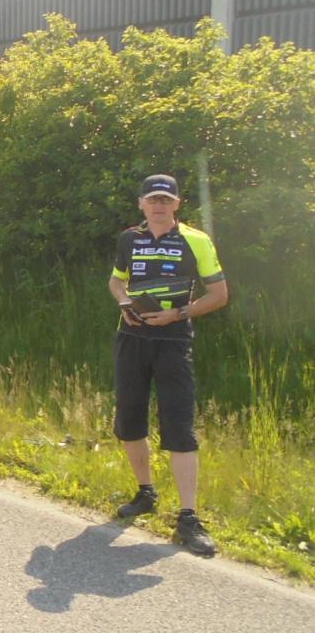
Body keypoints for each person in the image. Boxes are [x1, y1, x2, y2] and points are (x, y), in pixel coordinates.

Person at [109, 174, 229, 556]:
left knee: (178, 424)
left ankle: (188, 517)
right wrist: (124, 303)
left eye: (166, 199)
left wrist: (179, 314)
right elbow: (116, 282)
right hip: (132, 338)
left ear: (177, 204)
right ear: (141, 204)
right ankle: (146, 493)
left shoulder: (196, 240)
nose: (159, 205)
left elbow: (219, 294)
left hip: (174, 341)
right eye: (152, 199)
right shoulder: (129, 239)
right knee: (129, 419)